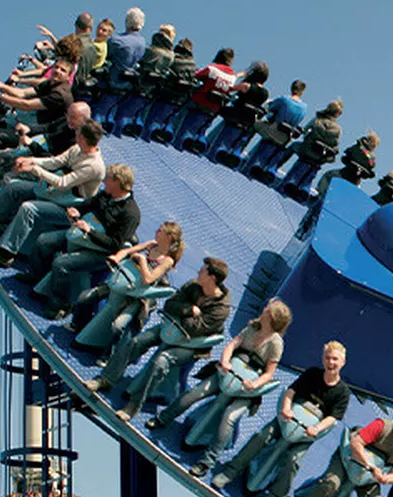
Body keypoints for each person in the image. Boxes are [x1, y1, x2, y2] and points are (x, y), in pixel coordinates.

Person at [147, 299, 292, 469]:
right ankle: (163, 418)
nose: (264, 309)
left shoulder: (275, 344)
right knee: (195, 393)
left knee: (229, 418)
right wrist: (225, 361)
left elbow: (269, 373)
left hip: (246, 386)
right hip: (228, 373)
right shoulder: (253, 327)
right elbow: (233, 344)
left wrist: (254, 384)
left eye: (268, 310)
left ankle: (207, 461)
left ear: (273, 319)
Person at [86, 257, 232, 422]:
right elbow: (170, 304)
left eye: (202, 271)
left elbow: (196, 328)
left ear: (212, 278)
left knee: (160, 362)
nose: (198, 272)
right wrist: (189, 310)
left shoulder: (221, 309)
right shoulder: (193, 285)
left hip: (189, 344)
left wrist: (182, 313)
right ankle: (106, 379)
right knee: (136, 342)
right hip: (170, 327)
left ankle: (133, 405)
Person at [212, 341, 350, 497]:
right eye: (327, 358)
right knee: (262, 436)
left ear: (343, 362)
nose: (331, 363)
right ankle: (231, 471)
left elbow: (333, 418)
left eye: (335, 359)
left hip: (307, 432)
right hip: (288, 419)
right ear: (323, 359)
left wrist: (317, 428)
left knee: (293, 460)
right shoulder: (312, 374)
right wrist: (286, 409)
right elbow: (291, 392)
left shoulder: (343, 392)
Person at [0, 120, 108, 267]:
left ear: (82, 137)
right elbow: (54, 162)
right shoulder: (77, 149)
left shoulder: (94, 166)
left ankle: (5, 256)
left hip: (68, 207)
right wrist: (31, 160)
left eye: (78, 133)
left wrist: (33, 169)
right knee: (14, 187)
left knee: (28, 208)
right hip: (54, 193)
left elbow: (62, 183)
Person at [29, 163, 143, 317]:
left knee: (62, 264)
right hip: (82, 236)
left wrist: (90, 232)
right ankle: (37, 278)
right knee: (44, 241)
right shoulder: (106, 194)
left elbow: (115, 244)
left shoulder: (130, 213)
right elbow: (88, 204)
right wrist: (77, 210)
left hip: (100, 250)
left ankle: (60, 305)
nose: (103, 181)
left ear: (118, 182)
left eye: (108, 179)